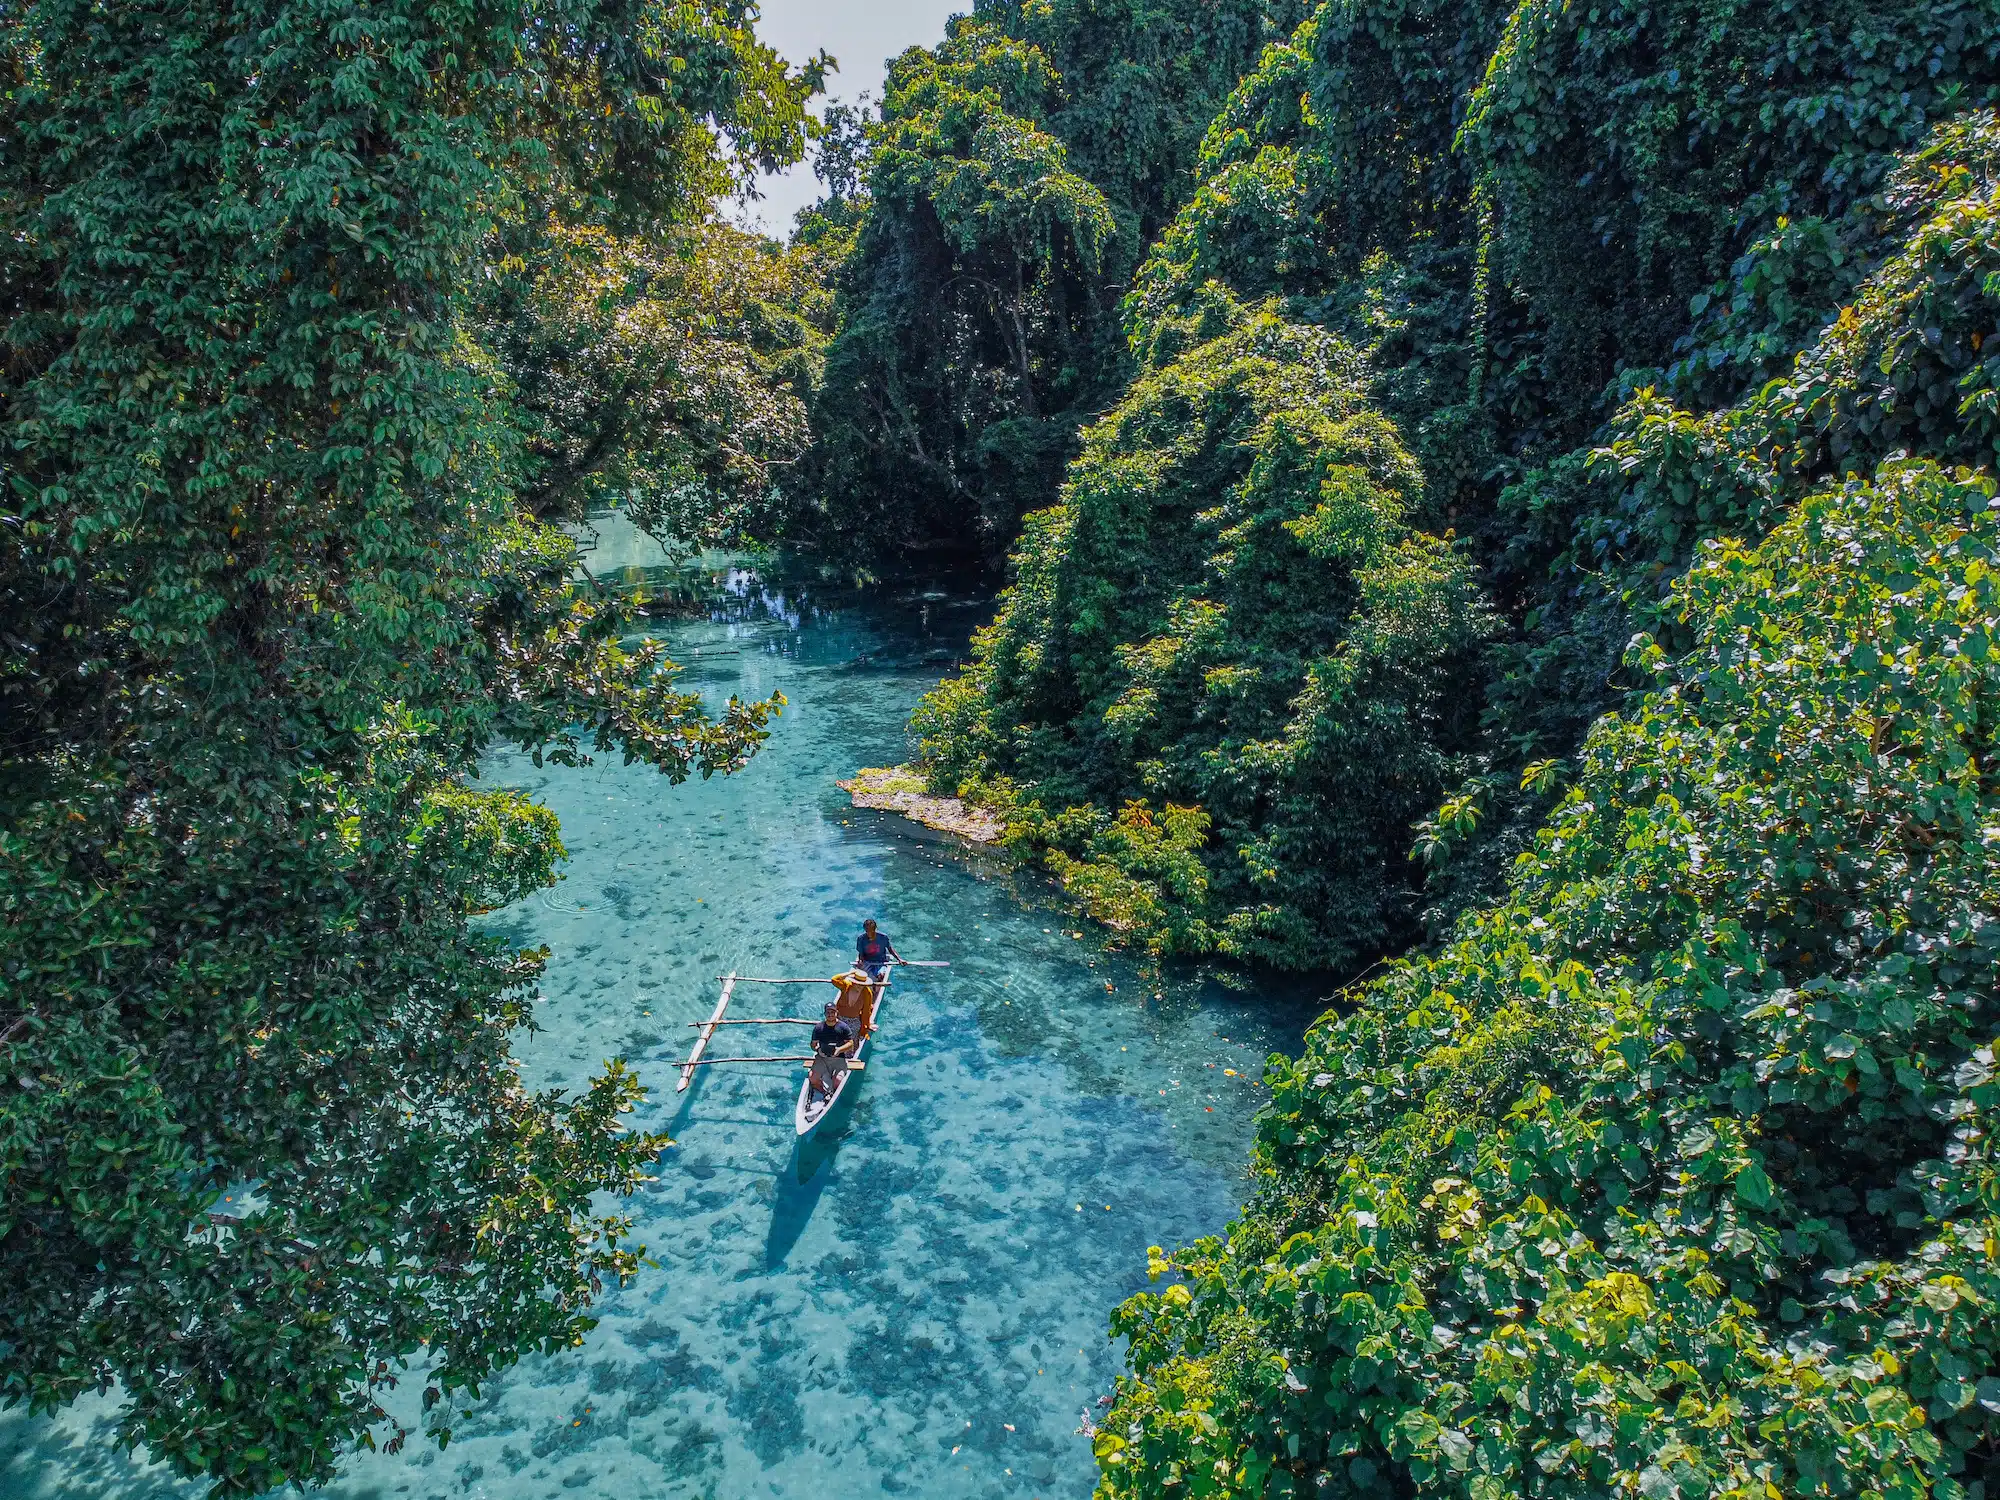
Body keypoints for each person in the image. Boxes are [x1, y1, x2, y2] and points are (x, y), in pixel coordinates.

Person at [807, 1000, 856, 1106]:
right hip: (822, 1058)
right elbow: (813, 1044)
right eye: (828, 1012)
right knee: (812, 1078)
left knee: (838, 1080)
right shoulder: (819, 1028)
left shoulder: (843, 1027)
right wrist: (816, 1049)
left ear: (836, 1013)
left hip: (838, 1058)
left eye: (832, 1012)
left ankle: (832, 1091)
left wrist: (839, 1050)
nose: (830, 1014)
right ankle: (826, 1092)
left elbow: (850, 1044)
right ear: (825, 1014)